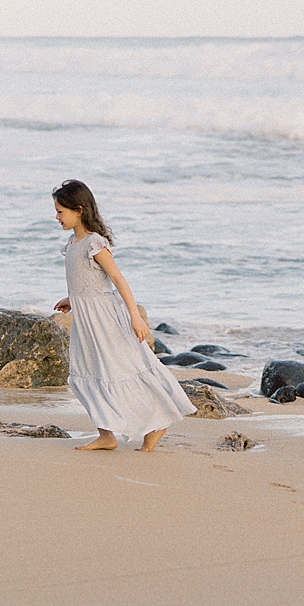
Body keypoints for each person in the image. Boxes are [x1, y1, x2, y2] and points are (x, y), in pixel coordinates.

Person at [51, 180, 195, 451]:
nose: (56, 217)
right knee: (86, 372)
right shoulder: (73, 243)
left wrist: (135, 317)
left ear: (79, 210)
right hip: (86, 321)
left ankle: (156, 423)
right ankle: (106, 435)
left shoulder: (94, 243)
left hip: (106, 320)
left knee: (122, 369)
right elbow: (86, 282)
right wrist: (73, 299)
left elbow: (117, 279)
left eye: (60, 211)